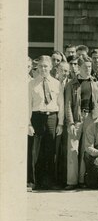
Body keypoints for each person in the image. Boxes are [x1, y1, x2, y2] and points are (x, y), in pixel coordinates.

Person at [63, 56, 98, 188]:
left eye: (90, 66)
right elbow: (68, 105)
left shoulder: (95, 82)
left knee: (86, 149)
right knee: (73, 149)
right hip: (77, 119)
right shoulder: (71, 84)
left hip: (91, 118)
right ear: (78, 67)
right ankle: (71, 181)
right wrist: (70, 123)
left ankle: (81, 180)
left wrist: (97, 117)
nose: (88, 69)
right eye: (85, 67)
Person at [28, 55, 64, 190]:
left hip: (52, 118)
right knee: (36, 151)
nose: (43, 69)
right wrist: (28, 124)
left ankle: (48, 181)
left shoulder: (56, 83)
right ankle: (34, 181)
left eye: (46, 66)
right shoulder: (31, 84)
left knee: (50, 150)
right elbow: (28, 105)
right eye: (41, 66)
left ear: (51, 67)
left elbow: (61, 104)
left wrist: (60, 123)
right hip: (37, 117)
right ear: (37, 67)